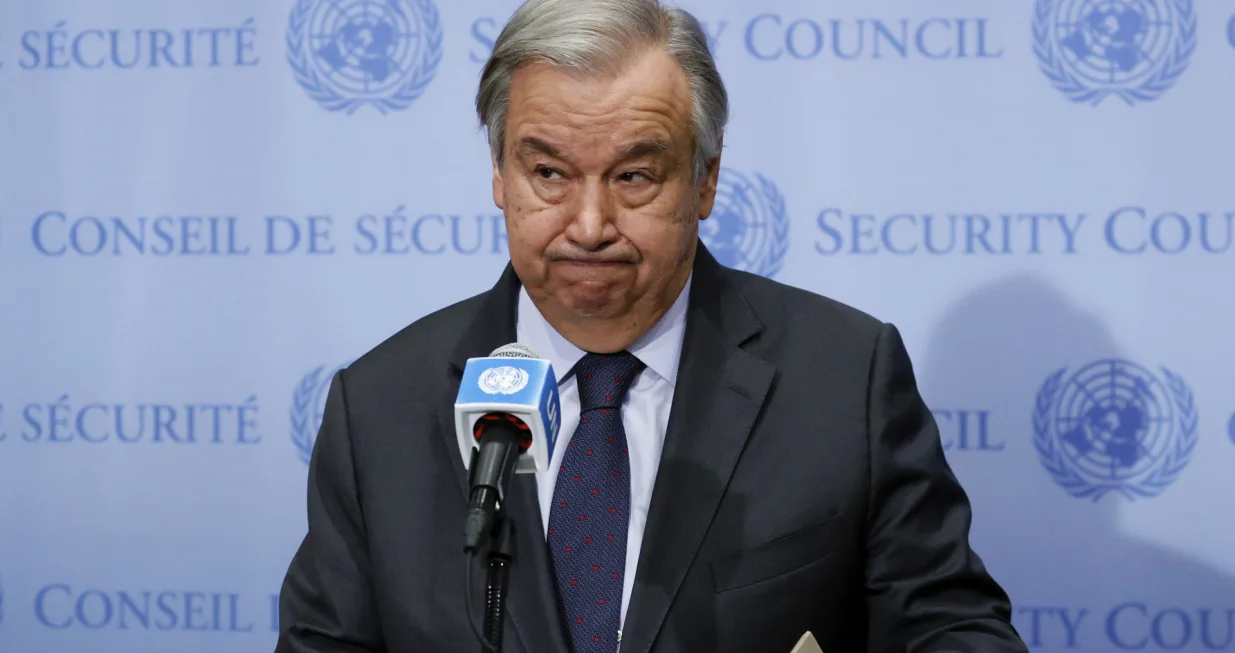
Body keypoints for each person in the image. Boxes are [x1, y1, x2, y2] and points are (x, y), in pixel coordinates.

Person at [274, 1, 1029, 651]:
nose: (590, 223)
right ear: (499, 176)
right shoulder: (377, 408)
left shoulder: (844, 378)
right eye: (548, 173)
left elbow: (948, 625)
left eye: (634, 175)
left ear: (705, 179)